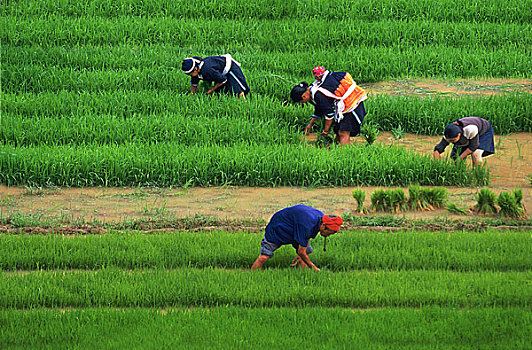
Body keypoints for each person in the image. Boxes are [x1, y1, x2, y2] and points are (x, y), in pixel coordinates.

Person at [251, 205, 343, 271]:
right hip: (278, 227)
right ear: (323, 226)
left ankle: (301, 274)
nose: (327, 236)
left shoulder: (320, 218)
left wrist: (302, 254)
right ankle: (253, 275)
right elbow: (301, 251)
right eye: (328, 233)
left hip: (294, 229)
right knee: (264, 256)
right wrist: (313, 267)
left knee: (306, 252)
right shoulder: (307, 225)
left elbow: (306, 239)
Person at [290, 71, 367, 146]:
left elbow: (329, 115)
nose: (303, 103)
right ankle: (340, 152)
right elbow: (319, 110)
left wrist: (325, 131)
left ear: (304, 96)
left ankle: (346, 154)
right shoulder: (312, 90)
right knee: (338, 131)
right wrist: (309, 125)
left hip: (351, 105)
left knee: (343, 132)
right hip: (344, 107)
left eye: (301, 101)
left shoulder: (318, 95)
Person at [181, 55, 250, 98]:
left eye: (190, 74)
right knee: (221, 94)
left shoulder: (207, 70)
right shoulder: (196, 73)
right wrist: (192, 96)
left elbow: (223, 80)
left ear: (195, 69)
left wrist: (211, 89)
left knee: (238, 92)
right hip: (219, 74)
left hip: (230, 69)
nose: (190, 76)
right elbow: (194, 85)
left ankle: (244, 105)